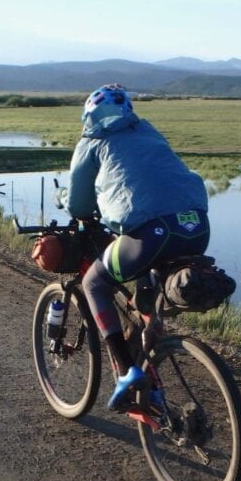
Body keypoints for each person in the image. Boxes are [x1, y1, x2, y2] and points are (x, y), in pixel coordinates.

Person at [67, 84, 210, 410]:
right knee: (146, 288)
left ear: (89, 116)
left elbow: (78, 202)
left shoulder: (93, 142)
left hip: (152, 234)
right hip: (196, 226)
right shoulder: (146, 129)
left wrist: (82, 214)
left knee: (94, 282)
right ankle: (150, 339)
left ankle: (125, 373)